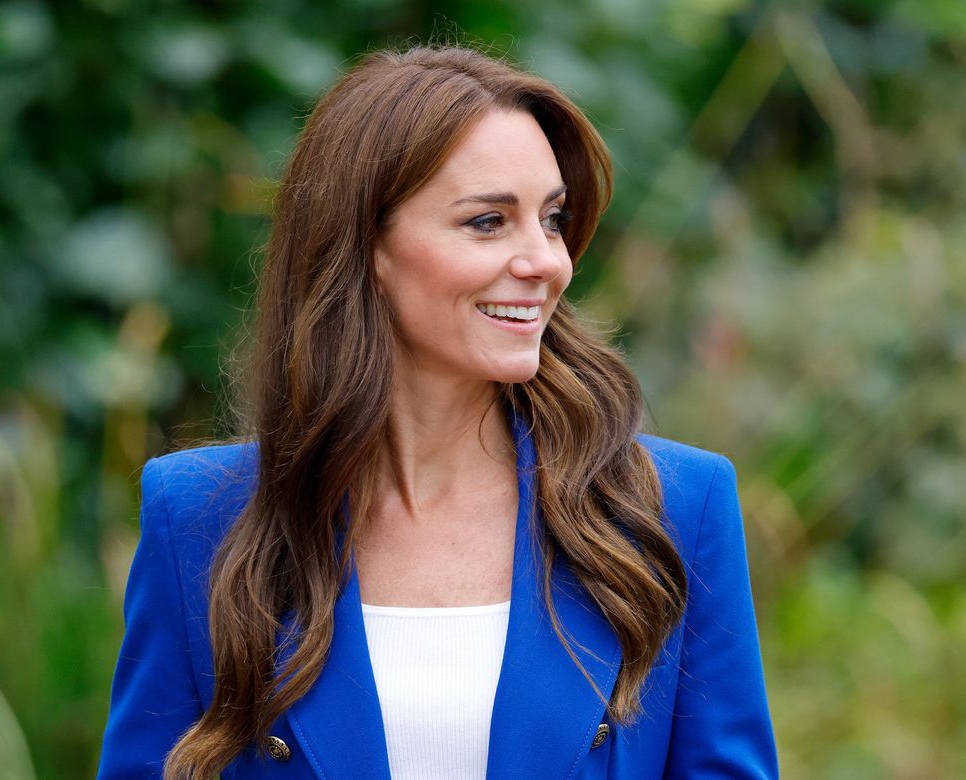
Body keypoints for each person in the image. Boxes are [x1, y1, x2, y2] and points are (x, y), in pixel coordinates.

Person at [98, 45, 777, 779]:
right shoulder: (201, 519)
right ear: (368, 248)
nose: (547, 261)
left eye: (553, 219)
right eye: (488, 221)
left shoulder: (667, 509)